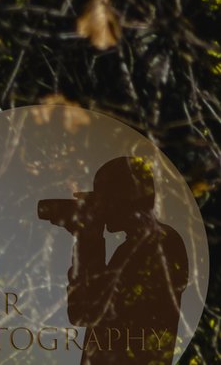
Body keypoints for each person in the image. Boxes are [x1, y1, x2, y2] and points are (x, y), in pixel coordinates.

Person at [39, 155, 190, 365]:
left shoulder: (157, 244)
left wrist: (88, 239)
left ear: (122, 197)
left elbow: (86, 312)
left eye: (103, 197)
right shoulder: (147, 243)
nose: (99, 206)